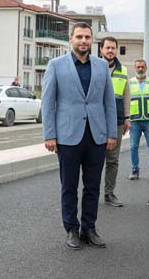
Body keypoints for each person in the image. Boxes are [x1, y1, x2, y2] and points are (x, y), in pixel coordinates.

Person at [42, 23, 117, 250]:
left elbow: (109, 102)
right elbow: (48, 102)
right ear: (71, 39)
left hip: (96, 136)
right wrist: (49, 135)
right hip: (67, 136)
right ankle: (71, 229)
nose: (83, 41)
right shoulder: (56, 65)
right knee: (69, 186)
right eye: (79, 37)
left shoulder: (102, 66)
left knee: (93, 186)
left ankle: (89, 229)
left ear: (92, 40)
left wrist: (111, 133)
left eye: (87, 37)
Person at [100, 36, 131, 207]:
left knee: (112, 160)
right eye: (108, 48)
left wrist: (127, 117)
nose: (110, 51)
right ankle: (91, 193)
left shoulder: (123, 70)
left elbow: (126, 95)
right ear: (101, 49)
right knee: (94, 160)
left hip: (117, 120)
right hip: (96, 121)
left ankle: (109, 193)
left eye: (113, 48)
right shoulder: (93, 66)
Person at [128, 59, 149, 181]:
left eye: (142, 67)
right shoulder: (129, 83)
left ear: (146, 68)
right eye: (138, 67)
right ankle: (135, 170)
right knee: (133, 146)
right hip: (134, 121)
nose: (140, 69)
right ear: (135, 68)